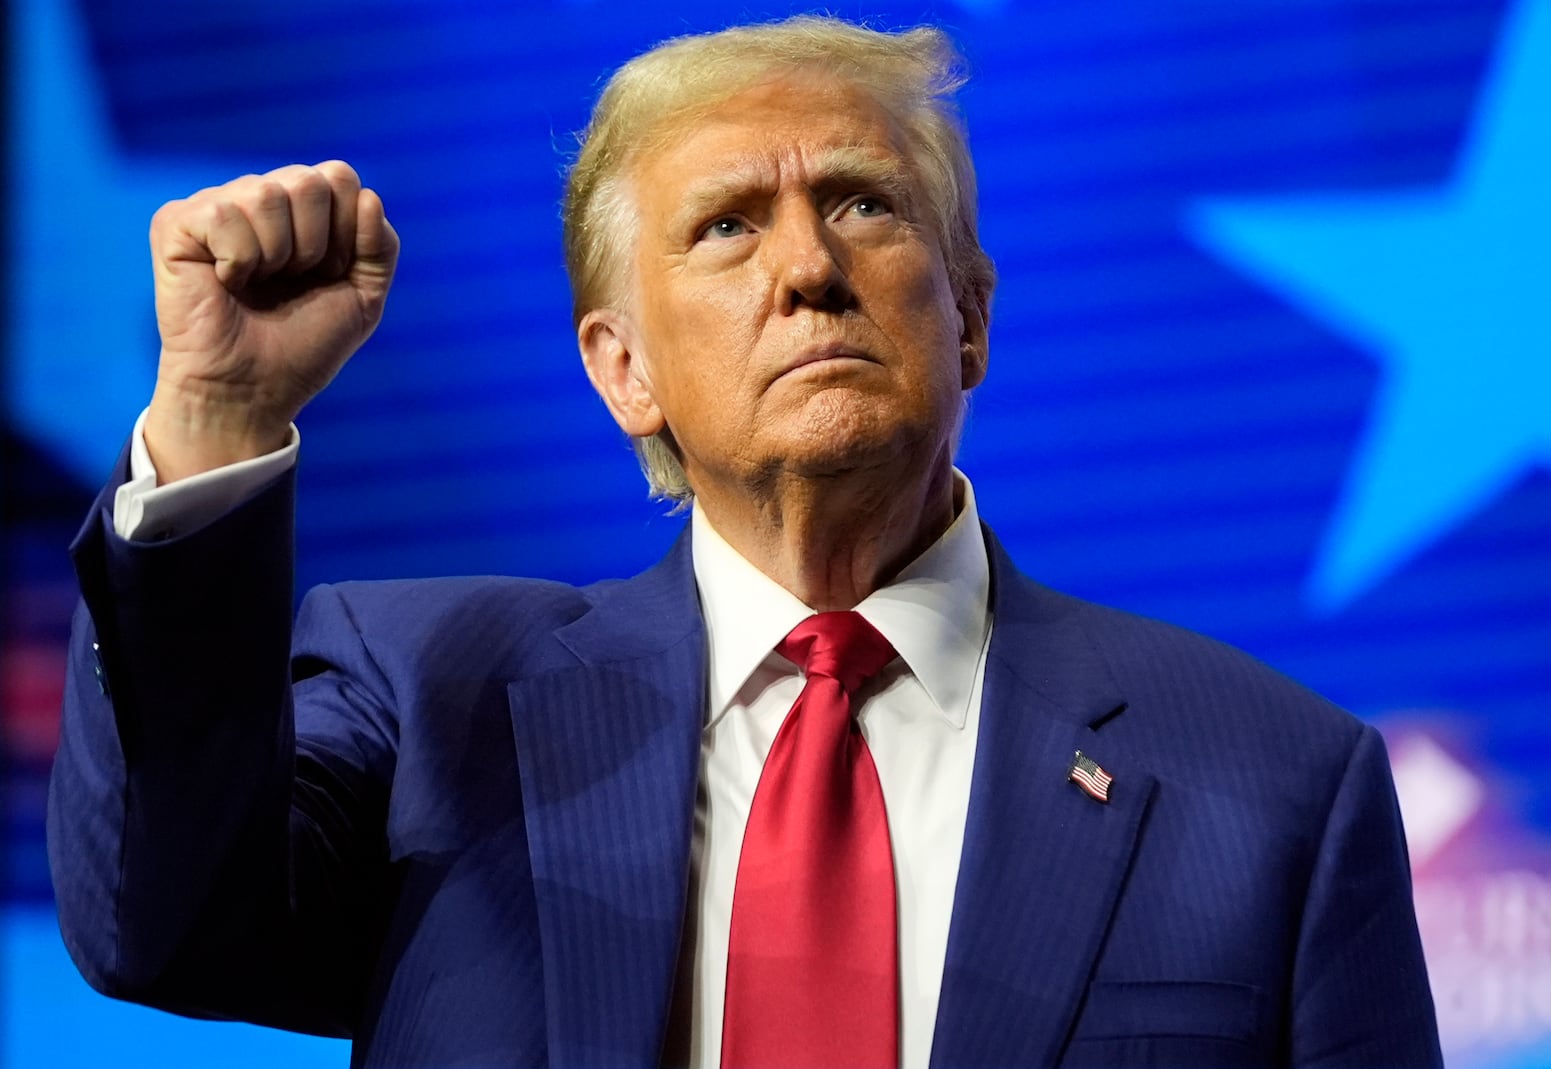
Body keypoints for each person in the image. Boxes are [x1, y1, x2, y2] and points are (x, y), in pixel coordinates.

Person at [48, 15, 1443, 1069]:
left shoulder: (1274, 785)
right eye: (726, 225)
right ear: (622, 370)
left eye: (861, 201)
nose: (807, 267)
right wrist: (217, 415)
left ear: (970, 316)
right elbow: (160, 921)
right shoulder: (431, 702)